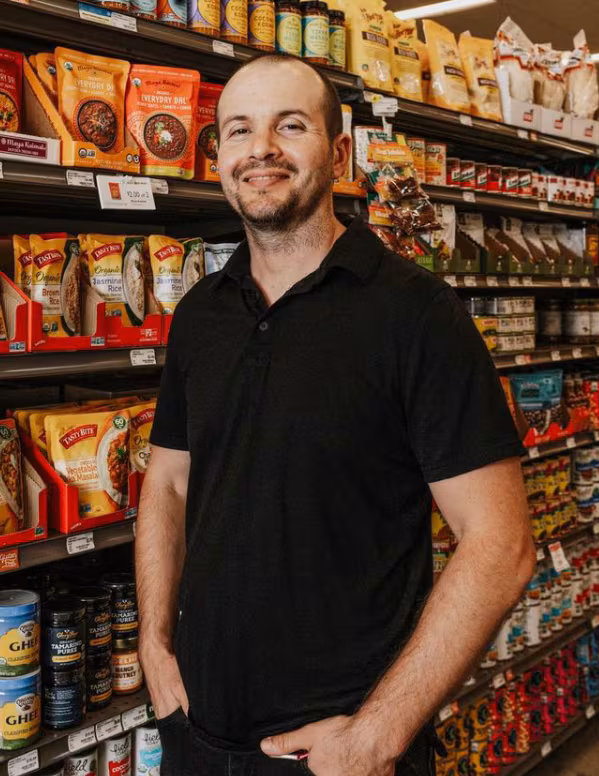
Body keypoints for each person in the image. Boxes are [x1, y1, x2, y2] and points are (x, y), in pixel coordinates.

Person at [136, 53, 536, 776]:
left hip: (340, 749)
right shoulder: (200, 314)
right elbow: (166, 483)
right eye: (238, 131)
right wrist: (155, 646)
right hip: (196, 734)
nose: (260, 150)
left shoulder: (416, 315)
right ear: (219, 155)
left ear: (340, 152)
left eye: (290, 125)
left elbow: (500, 545)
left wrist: (378, 734)